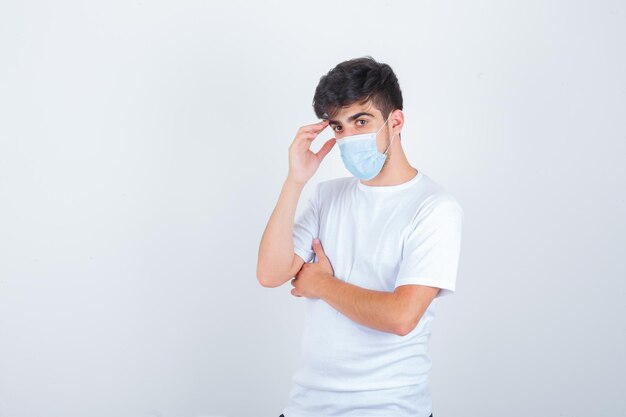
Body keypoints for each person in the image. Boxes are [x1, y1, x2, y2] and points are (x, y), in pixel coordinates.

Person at [257, 56, 463, 417]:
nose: (349, 137)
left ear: (395, 121)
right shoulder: (327, 195)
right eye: (338, 127)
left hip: (389, 408)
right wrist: (296, 181)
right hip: (307, 405)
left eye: (361, 122)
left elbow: (401, 317)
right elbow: (271, 273)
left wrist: (320, 284)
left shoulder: (434, 207)